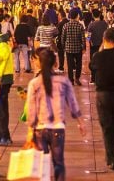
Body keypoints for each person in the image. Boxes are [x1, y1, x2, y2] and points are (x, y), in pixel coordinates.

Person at [24, 48, 84, 181]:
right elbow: (73, 104)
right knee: (59, 163)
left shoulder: (34, 83)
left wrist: (30, 129)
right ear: (54, 63)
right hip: (58, 127)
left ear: (40, 63)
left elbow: (31, 109)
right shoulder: (63, 81)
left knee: (42, 165)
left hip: (40, 128)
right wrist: (81, 122)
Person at [89, 29, 114, 170]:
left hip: (103, 95)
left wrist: (100, 50)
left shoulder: (98, 56)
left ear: (104, 40)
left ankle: (112, 157)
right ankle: (112, 154)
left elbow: (91, 67)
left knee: (106, 126)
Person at [60, 10, 86, 86]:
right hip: (78, 48)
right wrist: (84, 48)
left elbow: (63, 37)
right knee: (79, 64)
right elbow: (83, 38)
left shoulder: (66, 25)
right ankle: (77, 78)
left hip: (68, 48)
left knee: (70, 65)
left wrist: (63, 46)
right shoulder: (80, 25)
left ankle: (71, 80)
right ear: (76, 16)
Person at [86, 9, 108, 83]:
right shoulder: (104, 23)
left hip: (94, 45)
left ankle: (93, 79)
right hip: (103, 45)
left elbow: (88, 37)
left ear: (93, 15)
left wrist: (90, 42)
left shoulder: (91, 25)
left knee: (93, 62)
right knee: (103, 61)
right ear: (99, 15)